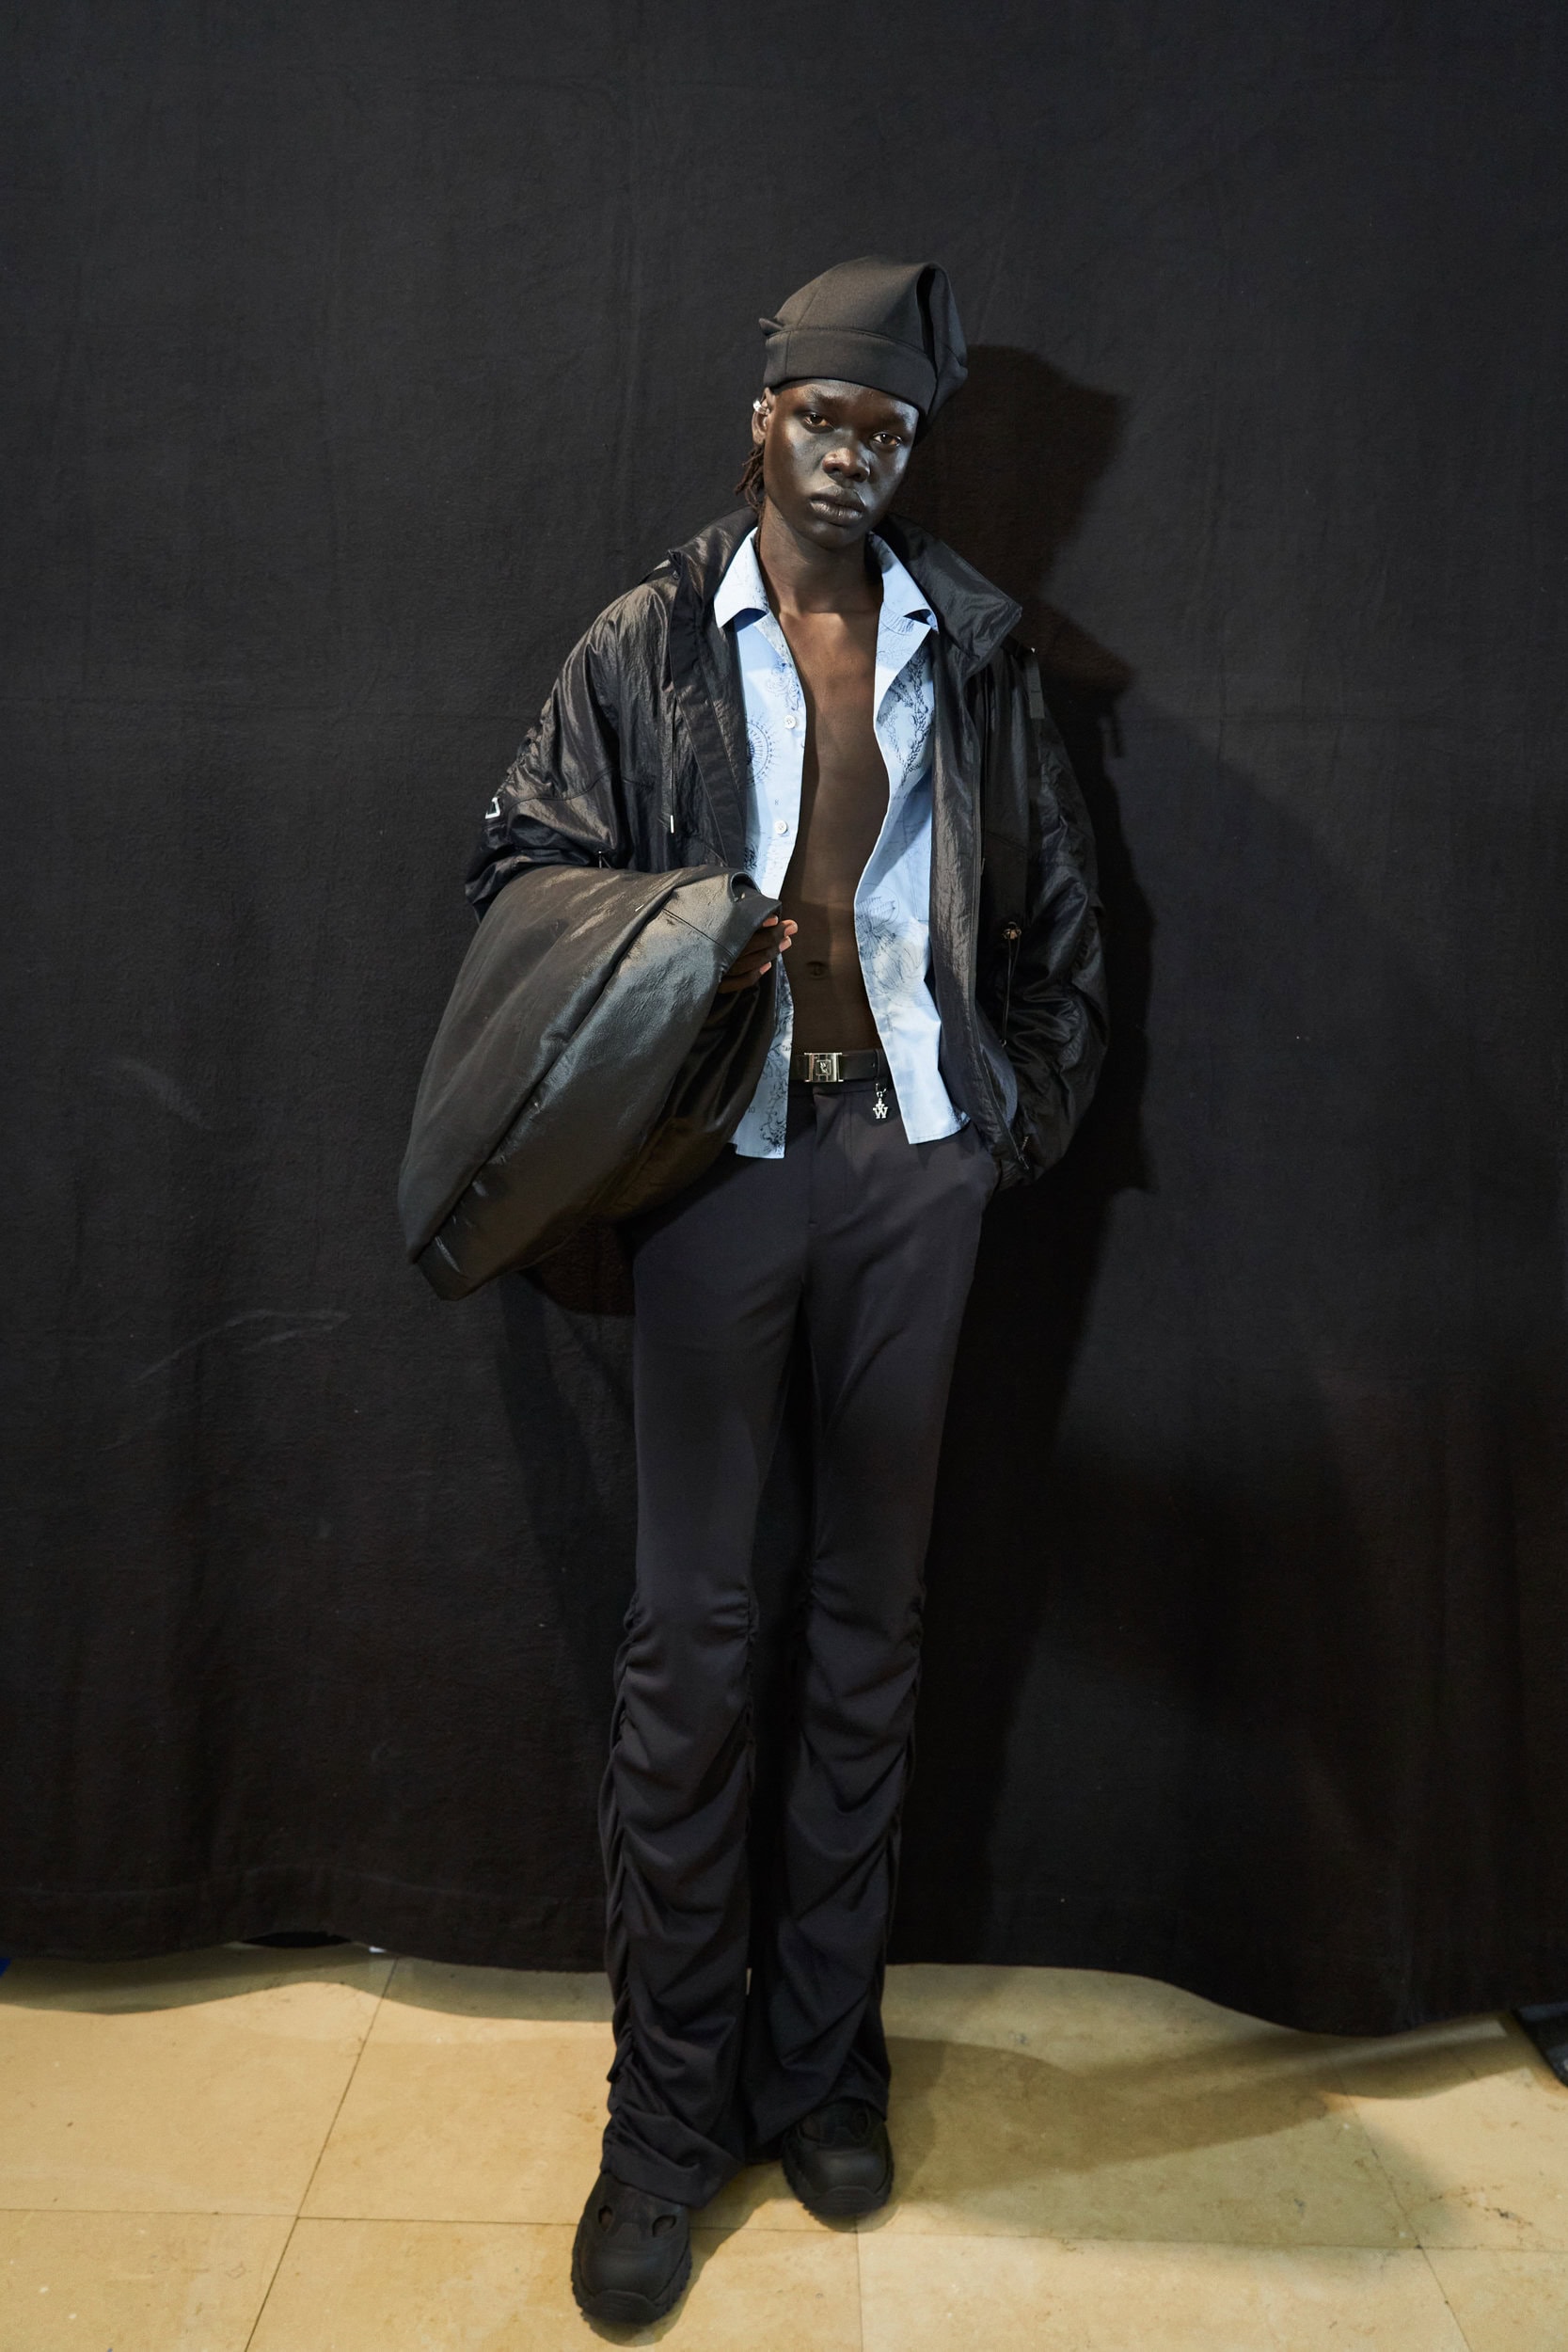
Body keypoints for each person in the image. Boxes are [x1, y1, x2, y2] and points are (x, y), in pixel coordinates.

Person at [466, 256, 1108, 2327]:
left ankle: (824, 2064)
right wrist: (679, 965)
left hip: (910, 1166)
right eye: (824, 418)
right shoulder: (650, 640)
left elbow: (1061, 921)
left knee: (866, 1629)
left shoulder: (970, 649)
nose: (852, 457)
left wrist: (993, 1128)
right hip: (717, 1178)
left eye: (887, 431)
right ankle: (666, 2121)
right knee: (692, 1641)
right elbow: (519, 876)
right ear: (761, 418)